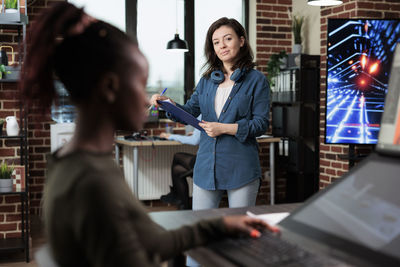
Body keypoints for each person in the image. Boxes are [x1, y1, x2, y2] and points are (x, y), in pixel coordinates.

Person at [20, 3, 277, 266]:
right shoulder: (92, 182)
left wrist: (218, 226)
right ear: (111, 87)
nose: (146, 97)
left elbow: (150, 243)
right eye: (141, 83)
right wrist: (171, 106)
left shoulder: (81, 165)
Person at [151, 17, 270, 211]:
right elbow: (189, 112)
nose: (222, 45)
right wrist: (169, 104)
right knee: (202, 225)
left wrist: (223, 128)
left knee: (238, 229)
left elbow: (261, 124)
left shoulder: (257, 80)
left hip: (241, 168)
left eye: (227, 39)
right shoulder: (207, 80)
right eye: (216, 42)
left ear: (241, 41)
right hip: (206, 166)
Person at [159, 118, 201, 210]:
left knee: (177, 156)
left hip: (203, 162)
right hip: (206, 159)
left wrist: (170, 136)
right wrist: (196, 134)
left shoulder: (203, 113)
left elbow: (194, 141)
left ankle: (178, 198)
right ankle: (183, 204)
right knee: (177, 170)